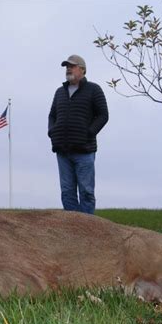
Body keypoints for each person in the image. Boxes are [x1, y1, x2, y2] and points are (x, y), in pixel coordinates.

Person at [48, 54, 109, 214]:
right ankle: (71, 232)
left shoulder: (94, 89)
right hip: (62, 150)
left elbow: (103, 115)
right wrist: (52, 133)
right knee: (67, 191)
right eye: (67, 66)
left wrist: (89, 133)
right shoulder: (59, 92)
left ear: (82, 69)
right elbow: (52, 115)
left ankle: (88, 230)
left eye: (72, 66)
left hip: (84, 151)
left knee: (86, 191)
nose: (68, 69)